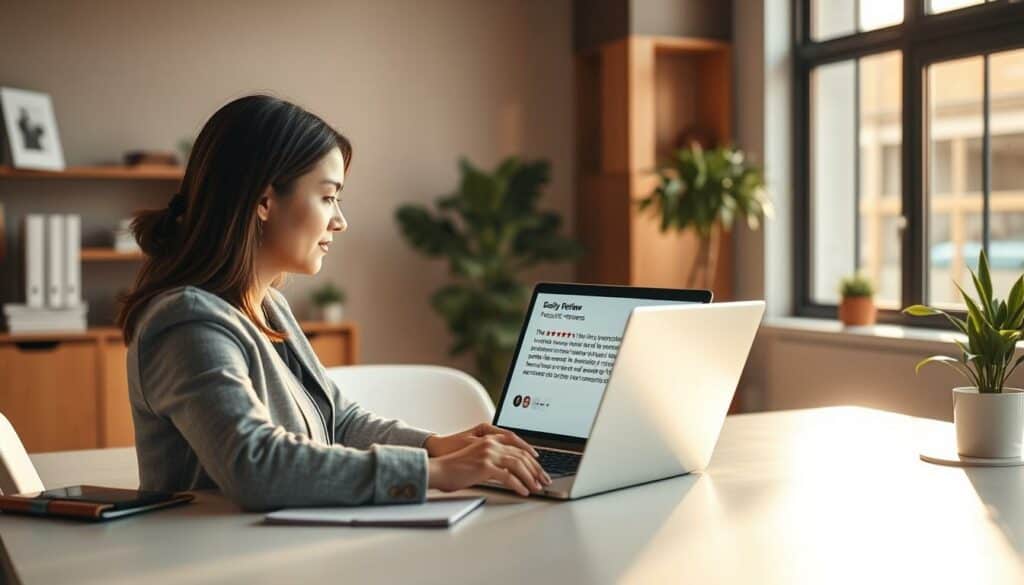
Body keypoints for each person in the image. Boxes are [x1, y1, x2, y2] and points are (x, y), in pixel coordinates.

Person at [116, 95, 550, 511]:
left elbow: (338, 422)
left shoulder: (268, 306)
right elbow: (255, 465)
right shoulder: (187, 322)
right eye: (328, 197)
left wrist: (436, 446)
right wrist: (433, 471)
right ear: (264, 201)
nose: (339, 221)